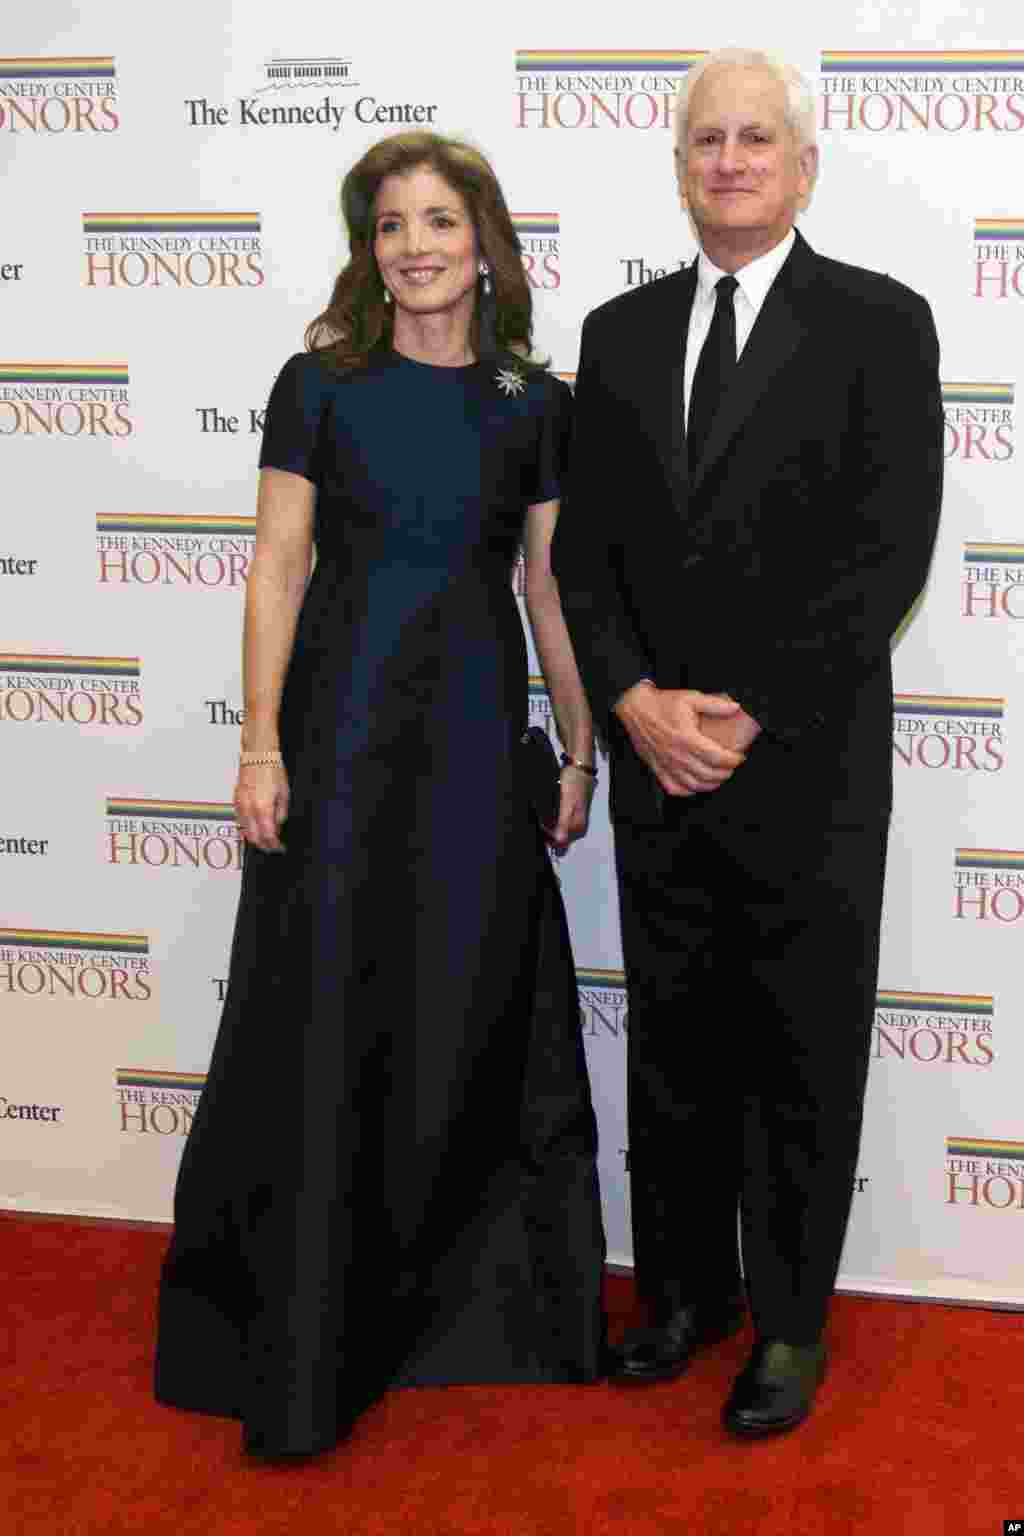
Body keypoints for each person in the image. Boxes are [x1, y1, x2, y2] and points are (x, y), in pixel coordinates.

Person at [155, 130, 606, 1459]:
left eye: (438, 220)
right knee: (333, 1005)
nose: (415, 245)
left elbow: (549, 590)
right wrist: (257, 747)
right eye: (390, 223)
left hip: (471, 735)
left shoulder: (535, 402)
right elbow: (276, 568)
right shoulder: (319, 386)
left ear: (485, 241)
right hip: (341, 733)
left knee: (471, 1000)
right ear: (370, 250)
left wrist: (575, 751)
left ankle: (472, 1311)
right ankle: (310, 1322)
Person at [552, 49, 943, 1436]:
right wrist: (636, 703)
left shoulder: (881, 325)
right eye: (706, 139)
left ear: (803, 164)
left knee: (798, 1044)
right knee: (674, 1039)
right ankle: (680, 1296)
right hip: (659, 766)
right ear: (678, 166)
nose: (729, 159)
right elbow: (584, 559)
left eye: (756, 139)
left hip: (809, 764)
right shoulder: (615, 333)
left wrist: (751, 708)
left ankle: (785, 1325)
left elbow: (888, 551)